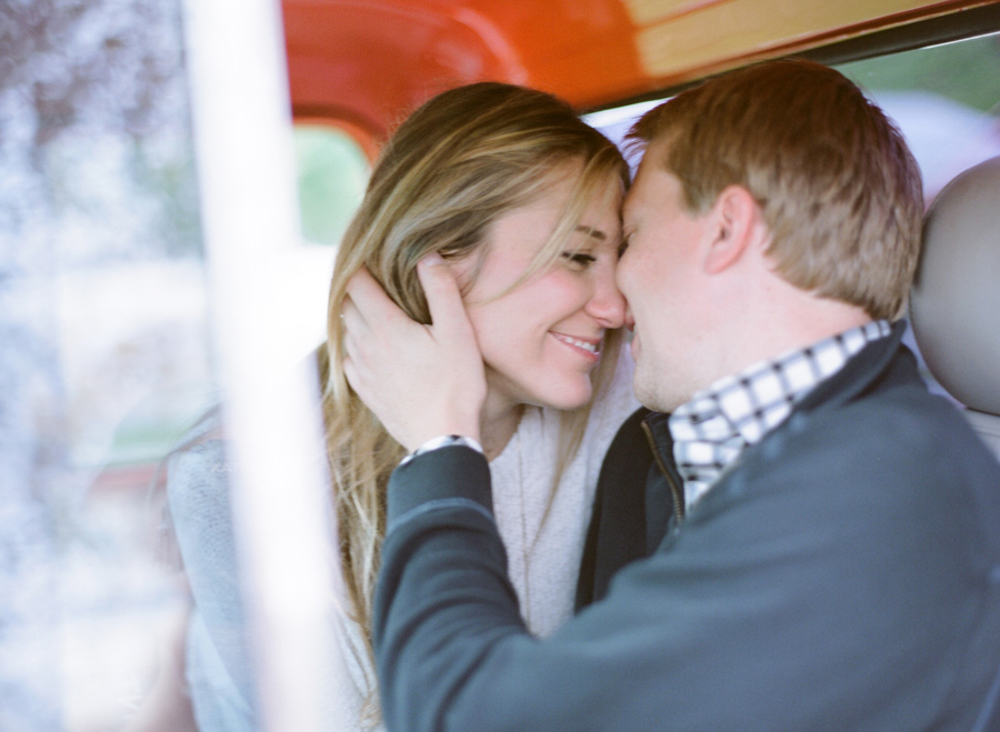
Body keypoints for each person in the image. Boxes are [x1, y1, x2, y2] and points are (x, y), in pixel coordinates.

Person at [342, 59, 1000, 731]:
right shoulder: (711, 459)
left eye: (631, 238)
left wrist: (441, 446)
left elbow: (466, 719)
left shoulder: (877, 488)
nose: (617, 299)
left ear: (724, 231)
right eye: (581, 256)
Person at [166, 82, 639, 732]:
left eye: (621, 258)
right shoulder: (237, 472)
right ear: (435, 258)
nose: (615, 307)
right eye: (579, 255)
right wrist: (443, 444)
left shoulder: (624, 392)